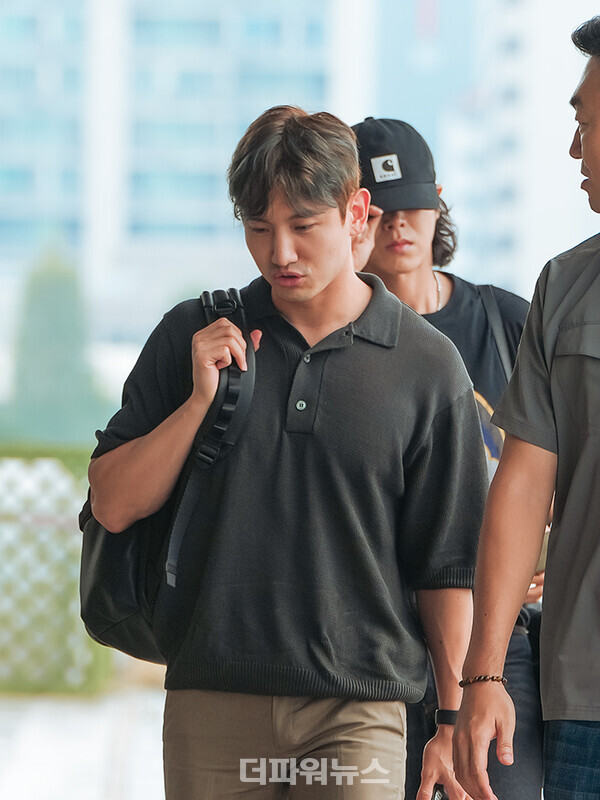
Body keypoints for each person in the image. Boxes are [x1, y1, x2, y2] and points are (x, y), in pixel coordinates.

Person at [87, 105, 488, 799]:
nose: (281, 254)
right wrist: (197, 404)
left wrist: (450, 716)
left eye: (303, 227)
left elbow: (446, 563)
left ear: (356, 213)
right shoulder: (194, 333)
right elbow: (112, 505)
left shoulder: (428, 367)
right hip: (213, 699)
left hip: (357, 709)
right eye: (258, 228)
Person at [351, 116, 544, 800]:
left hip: (496, 642)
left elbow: (568, 459)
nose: (398, 228)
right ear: (351, 218)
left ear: (439, 207)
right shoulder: (337, 341)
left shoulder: (507, 320)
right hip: (377, 644)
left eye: (412, 210)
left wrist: (540, 554)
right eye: (378, 212)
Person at [452, 15, 600, 800]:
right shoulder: (564, 287)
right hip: (587, 699)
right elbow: (521, 485)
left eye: (585, 123)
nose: (574, 150)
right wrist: (484, 672)